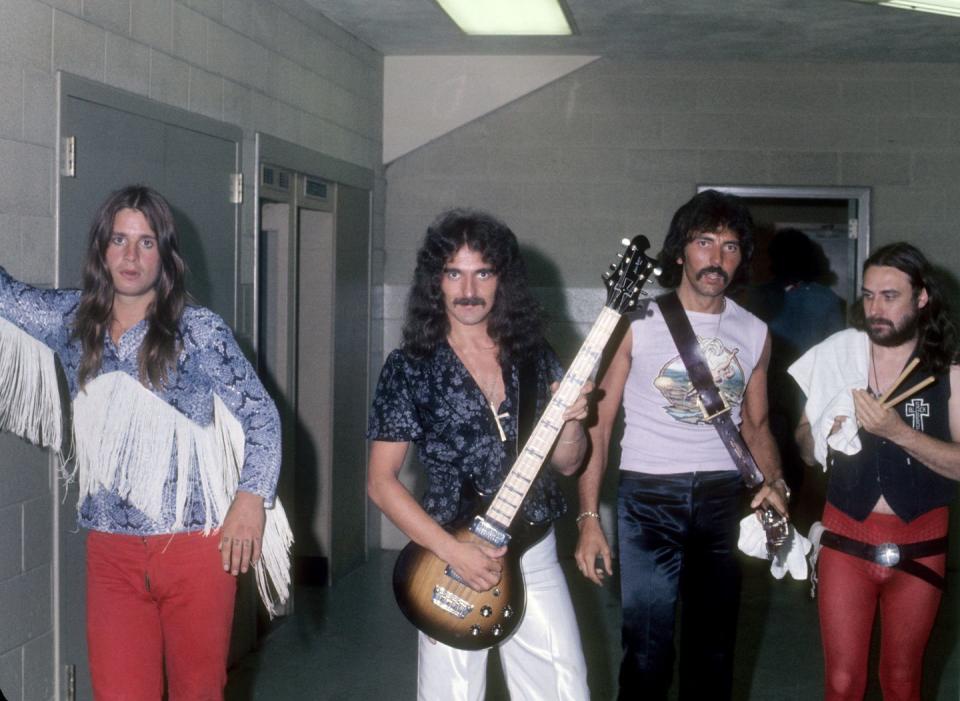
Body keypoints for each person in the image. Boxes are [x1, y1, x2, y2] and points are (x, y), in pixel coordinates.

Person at [0, 185, 291, 699]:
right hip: (111, 551)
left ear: (166, 255)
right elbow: (6, 297)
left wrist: (251, 500)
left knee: (197, 692)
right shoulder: (72, 321)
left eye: (146, 242)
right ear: (101, 249)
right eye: (119, 240)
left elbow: (262, 418)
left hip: (198, 550)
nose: (131, 256)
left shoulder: (199, 331)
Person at [366, 208, 591, 701]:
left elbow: (569, 464)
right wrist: (454, 553)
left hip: (532, 550)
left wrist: (571, 420)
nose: (468, 290)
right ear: (436, 282)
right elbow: (381, 482)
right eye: (454, 273)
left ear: (502, 280)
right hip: (447, 555)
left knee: (563, 691)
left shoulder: (532, 356)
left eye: (482, 272)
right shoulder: (409, 368)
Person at [574, 189, 789, 700]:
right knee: (646, 653)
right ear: (680, 251)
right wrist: (587, 519)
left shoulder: (755, 332)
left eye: (732, 246)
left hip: (723, 501)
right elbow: (598, 428)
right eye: (705, 242)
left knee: (712, 656)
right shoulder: (636, 322)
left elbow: (756, 426)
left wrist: (775, 482)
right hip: (649, 499)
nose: (717, 258)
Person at [792, 242, 959, 701]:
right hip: (847, 533)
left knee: (903, 680)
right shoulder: (838, 355)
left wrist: (897, 431)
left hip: (922, 538)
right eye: (868, 295)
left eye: (890, 296)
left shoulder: (947, 367)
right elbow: (805, 450)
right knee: (843, 682)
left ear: (921, 298)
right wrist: (821, 433)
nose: (875, 308)